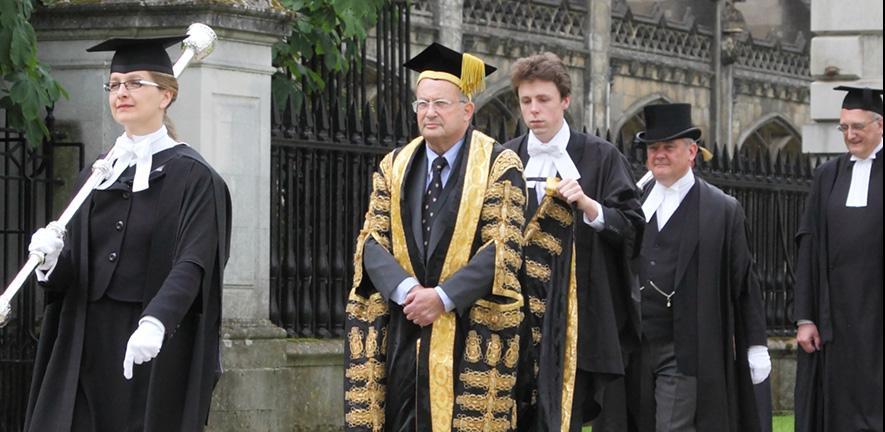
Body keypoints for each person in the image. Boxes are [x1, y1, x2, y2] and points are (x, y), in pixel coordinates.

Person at [24, 36, 231, 431]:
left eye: (135, 83)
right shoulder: (98, 174)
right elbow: (79, 268)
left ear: (166, 95)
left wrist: (157, 322)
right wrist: (52, 264)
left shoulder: (195, 177)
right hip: (84, 338)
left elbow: (194, 261)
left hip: (148, 340)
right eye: (115, 84)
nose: (122, 92)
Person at [343, 42, 527, 430]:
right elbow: (371, 240)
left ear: (467, 109)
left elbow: (503, 248)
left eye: (440, 103)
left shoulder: (499, 164)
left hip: (466, 326)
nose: (429, 113)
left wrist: (442, 299)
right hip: (403, 328)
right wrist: (409, 291)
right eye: (421, 103)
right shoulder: (394, 165)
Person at [502, 52, 644, 431]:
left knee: (566, 417)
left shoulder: (602, 157)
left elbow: (633, 227)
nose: (534, 110)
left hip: (576, 319)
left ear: (565, 100)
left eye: (543, 100)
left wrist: (589, 206)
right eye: (526, 101)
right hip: (514, 318)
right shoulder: (505, 158)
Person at [632, 103, 769, 432]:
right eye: (653, 148)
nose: (659, 155)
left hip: (686, 349)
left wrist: (757, 345)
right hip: (635, 348)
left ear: (692, 151)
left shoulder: (722, 210)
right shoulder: (632, 202)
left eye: (669, 147)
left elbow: (743, 282)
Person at [793, 86, 883, 432]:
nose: (850, 135)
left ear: (880, 126)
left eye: (858, 126)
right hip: (834, 316)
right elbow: (809, 244)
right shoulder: (827, 175)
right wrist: (805, 318)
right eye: (844, 127)